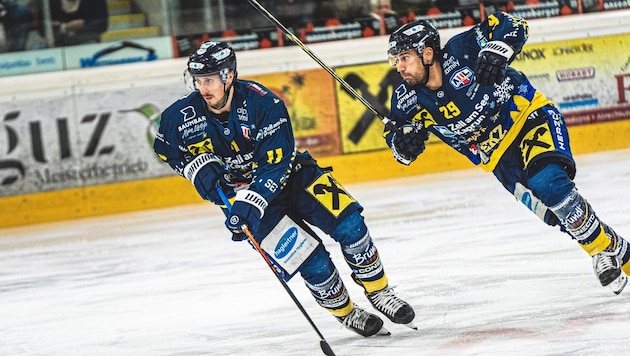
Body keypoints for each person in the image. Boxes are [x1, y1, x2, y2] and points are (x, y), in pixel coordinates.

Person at [153, 41, 416, 337]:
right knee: (310, 260)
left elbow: (275, 166)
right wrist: (197, 169)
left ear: (229, 76)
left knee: (351, 225)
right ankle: (347, 312)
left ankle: (380, 292)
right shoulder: (180, 117)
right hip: (242, 198)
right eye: (198, 80)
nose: (203, 88)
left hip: (295, 177)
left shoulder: (264, 103)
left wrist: (250, 203)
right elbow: (164, 149)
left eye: (210, 80)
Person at [383, 12, 630, 294]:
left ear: (428, 54)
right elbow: (397, 139)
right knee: (557, 214)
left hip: (528, 118)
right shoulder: (406, 98)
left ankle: (599, 251)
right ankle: (618, 251)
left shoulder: (462, 50)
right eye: (396, 60)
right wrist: (402, 146)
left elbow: (513, 24)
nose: (399, 67)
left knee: (548, 183)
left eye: (404, 58)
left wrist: (499, 49)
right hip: (499, 160)